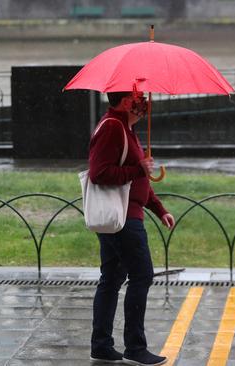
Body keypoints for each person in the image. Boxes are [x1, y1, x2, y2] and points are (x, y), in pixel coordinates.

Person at [88, 90, 175, 366]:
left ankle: (101, 346)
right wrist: (138, 170)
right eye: (138, 97)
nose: (143, 102)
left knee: (112, 279)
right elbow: (99, 173)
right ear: (126, 102)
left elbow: (139, 184)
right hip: (123, 219)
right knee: (142, 275)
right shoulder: (113, 128)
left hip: (124, 215)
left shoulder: (126, 129)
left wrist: (159, 209)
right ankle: (135, 348)